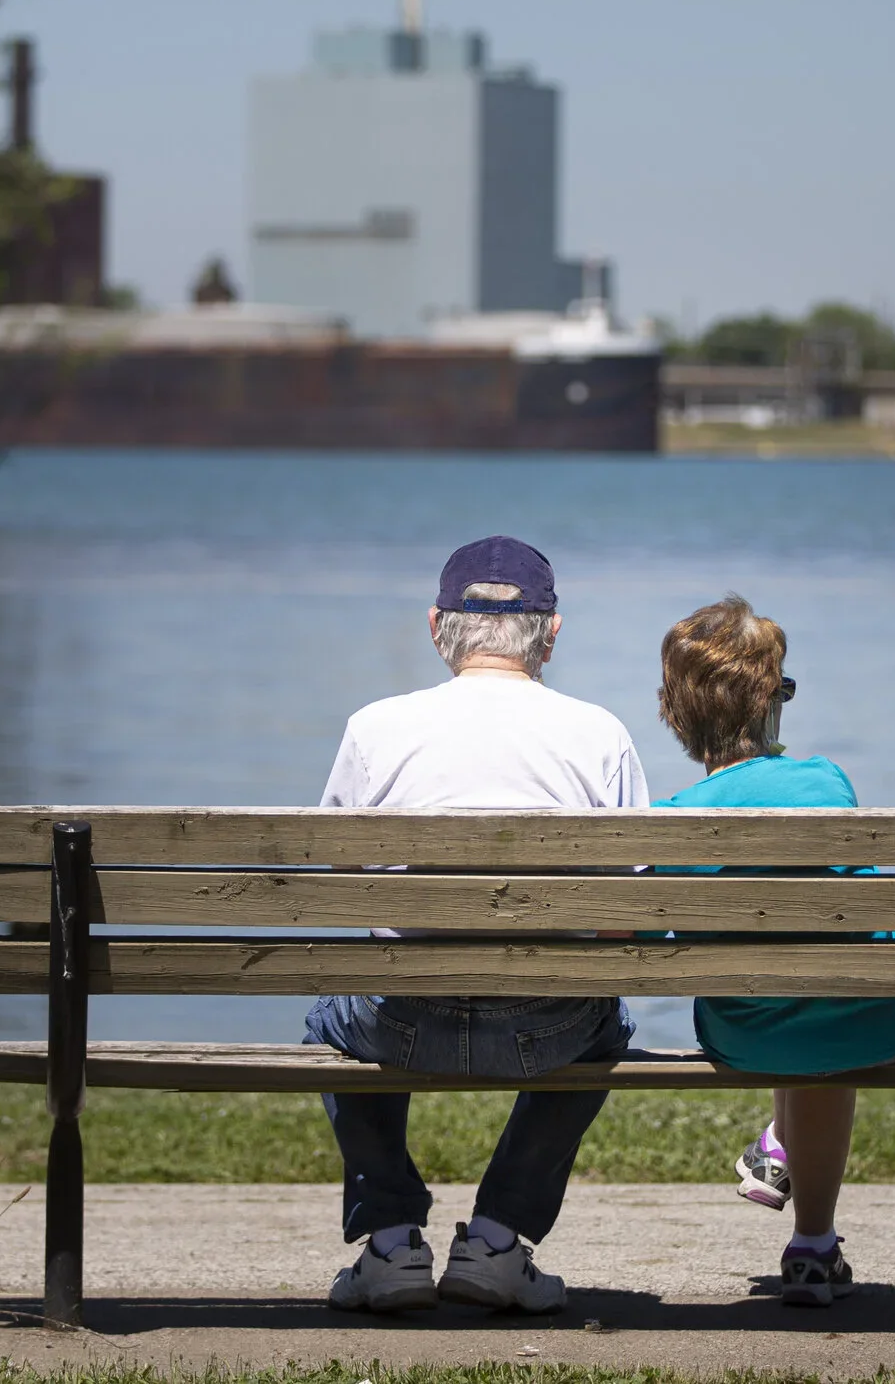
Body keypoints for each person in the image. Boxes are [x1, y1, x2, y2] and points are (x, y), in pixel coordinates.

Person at [307, 535, 646, 1316]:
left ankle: (390, 1244)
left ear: (438, 626)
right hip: (548, 1027)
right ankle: (497, 1239)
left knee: (333, 1010)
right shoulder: (601, 732)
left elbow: (337, 889)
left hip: (399, 1024)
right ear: (551, 632)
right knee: (609, 1019)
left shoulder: (374, 726)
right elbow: (633, 913)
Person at [651, 594, 895, 1308]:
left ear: (675, 713)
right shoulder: (827, 783)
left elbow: (644, 934)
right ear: (773, 701)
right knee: (827, 999)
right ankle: (812, 1239)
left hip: (744, 1033)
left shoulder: (675, 820)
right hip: (882, 1024)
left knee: (791, 998)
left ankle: (782, 1144)